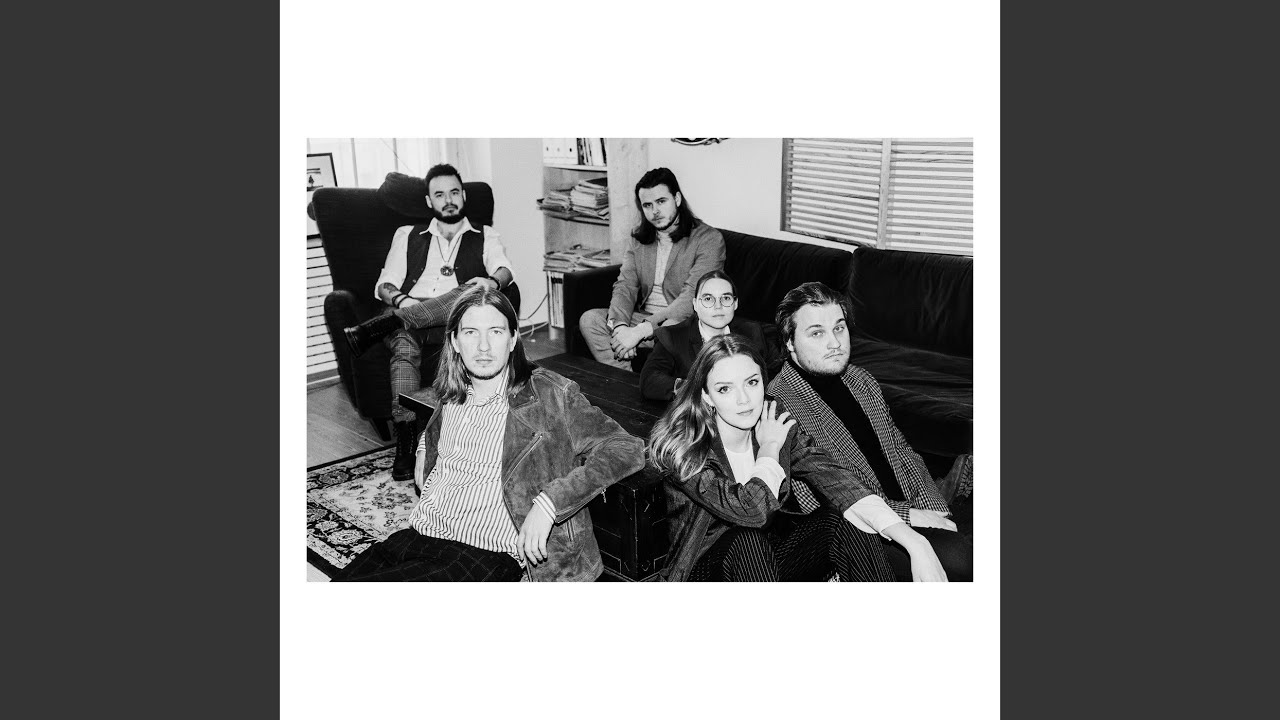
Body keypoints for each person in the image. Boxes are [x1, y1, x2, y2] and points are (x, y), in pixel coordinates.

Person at [331, 286, 646, 582]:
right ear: (455, 341)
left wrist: (551, 502)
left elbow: (625, 447)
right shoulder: (452, 391)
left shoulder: (549, 395)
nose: (483, 347)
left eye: (495, 332)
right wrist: (425, 443)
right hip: (417, 535)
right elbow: (441, 427)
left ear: (513, 339)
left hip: (481, 554)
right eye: (471, 332)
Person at [648, 334, 947, 582]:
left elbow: (833, 477)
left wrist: (914, 541)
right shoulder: (686, 447)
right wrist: (769, 448)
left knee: (840, 517)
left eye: (752, 382)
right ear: (706, 396)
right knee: (746, 540)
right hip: (705, 575)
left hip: (768, 565)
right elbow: (751, 511)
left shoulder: (773, 416)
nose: (744, 399)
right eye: (725, 389)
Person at [767, 282, 973, 581]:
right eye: (817, 333)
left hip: (908, 507)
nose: (834, 343)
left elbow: (901, 450)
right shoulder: (780, 405)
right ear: (789, 342)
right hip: (859, 530)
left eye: (839, 328)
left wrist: (936, 510)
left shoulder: (860, 379)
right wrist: (909, 517)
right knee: (962, 560)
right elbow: (820, 501)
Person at [340, 163, 516, 483]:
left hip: (451, 317)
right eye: (439, 194)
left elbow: (504, 271)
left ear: (463, 196)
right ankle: (406, 440)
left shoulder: (485, 235)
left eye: (454, 192)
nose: (448, 200)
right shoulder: (407, 234)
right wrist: (405, 303)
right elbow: (385, 284)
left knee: (472, 290)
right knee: (404, 343)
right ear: (428, 201)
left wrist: (491, 282)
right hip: (408, 309)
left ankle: (377, 328)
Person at [578, 167, 725, 370]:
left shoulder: (708, 239)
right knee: (590, 320)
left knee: (669, 329)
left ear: (677, 199)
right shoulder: (639, 239)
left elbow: (691, 298)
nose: (655, 211)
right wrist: (621, 328)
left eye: (661, 201)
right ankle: (624, 381)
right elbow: (625, 285)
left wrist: (639, 332)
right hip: (645, 319)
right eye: (647, 205)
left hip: (684, 324)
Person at [639, 269, 777, 402]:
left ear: (735, 304)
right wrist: (700, 391)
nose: (718, 306)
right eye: (708, 299)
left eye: (726, 298)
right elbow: (649, 380)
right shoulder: (672, 336)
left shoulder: (751, 332)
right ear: (695, 305)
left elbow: (773, 370)